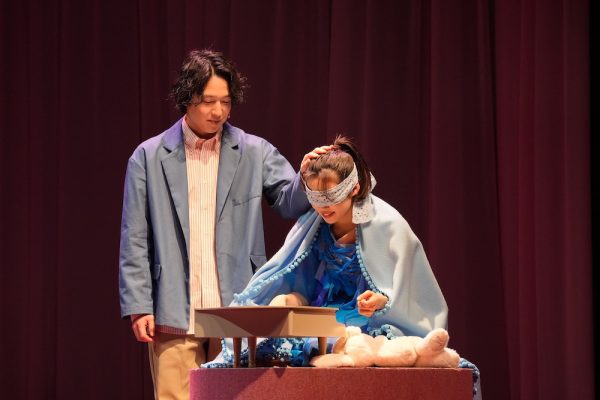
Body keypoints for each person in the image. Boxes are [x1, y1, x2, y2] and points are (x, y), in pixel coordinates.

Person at [118, 49, 324, 399]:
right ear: (187, 99)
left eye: (225, 102)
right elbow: (134, 237)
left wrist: (307, 177)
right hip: (174, 308)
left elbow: (290, 203)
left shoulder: (255, 151)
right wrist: (139, 305)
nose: (218, 111)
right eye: (208, 101)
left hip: (236, 309)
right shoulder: (147, 157)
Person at [204, 135, 448, 368]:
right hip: (327, 313)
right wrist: (291, 300)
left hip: (371, 319)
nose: (323, 206)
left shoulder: (388, 224)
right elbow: (301, 279)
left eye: (332, 196)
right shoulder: (314, 225)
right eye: (315, 197)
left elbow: (406, 290)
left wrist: (381, 300)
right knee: (282, 330)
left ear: (354, 188)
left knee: (379, 345)